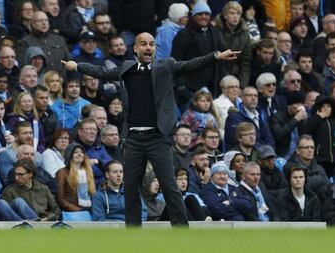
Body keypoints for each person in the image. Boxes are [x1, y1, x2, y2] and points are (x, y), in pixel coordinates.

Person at [61, 32, 240, 226]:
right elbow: (102, 72)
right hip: (134, 139)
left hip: (157, 138)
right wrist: (78, 66)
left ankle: (182, 231)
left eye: (152, 44)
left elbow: (191, 64)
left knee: (170, 187)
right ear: (136, 48)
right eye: (144, 44)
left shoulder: (165, 67)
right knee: (130, 187)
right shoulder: (127, 69)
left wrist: (216, 56)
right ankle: (133, 234)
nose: (149, 47)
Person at [302, 95, 335, 177]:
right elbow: (305, 130)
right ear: (318, 108)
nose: (326, 109)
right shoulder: (314, 119)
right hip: (320, 159)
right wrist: (319, 116)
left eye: (328, 106)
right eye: (323, 107)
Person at [214, 1, 251, 87]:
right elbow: (214, 56)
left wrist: (242, 86)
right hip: (217, 78)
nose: (235, 16)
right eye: (232, 13)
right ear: (225, 15)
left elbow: (245, 63)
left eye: (238, 13)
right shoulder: (215, 31)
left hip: (236, 78)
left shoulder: (245, 34)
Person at [224, 86, 274, 150]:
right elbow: (238, 140)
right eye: (249, 95)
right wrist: (264, 150)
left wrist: (270, 151)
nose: (253, 98)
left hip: (263, 154)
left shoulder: (261, 114)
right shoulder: (234, 117)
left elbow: (269, 138)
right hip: (240, 156)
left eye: (255, 96)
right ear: (242, 98)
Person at [284, 134, 330, 200]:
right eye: (306, 147)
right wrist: (320, 178)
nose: (310, 150)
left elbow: (328, 185)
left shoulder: (319, 167)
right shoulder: (290, 166)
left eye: (312, 147)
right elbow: (303, 184)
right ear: (298, 150)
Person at [56, 143, 96, 212]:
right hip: (72, 212)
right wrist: (78, 210)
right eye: (75, 152)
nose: (80, 154)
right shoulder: (62, 173)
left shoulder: (89, 172)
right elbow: (60, 198)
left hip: (89, 209)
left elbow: (92, 195)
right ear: (69, 155)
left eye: (82, 152)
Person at [269, 91, 307, 159]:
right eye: (297, 104)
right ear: (289, 106)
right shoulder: (277, 117)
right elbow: (278, 135)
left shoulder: (302, 117)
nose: (300, 107)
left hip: (299, 156)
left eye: (302, 104)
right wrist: (296, 119)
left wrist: (304, 122)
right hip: (283, 155)